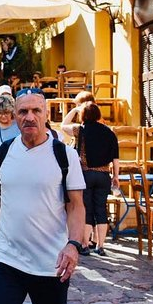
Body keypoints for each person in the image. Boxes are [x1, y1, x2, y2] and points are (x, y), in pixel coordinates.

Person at [0, 90, 86, 304]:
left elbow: (77, 206)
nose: (30, 117)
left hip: (51, 263)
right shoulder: (3, 153)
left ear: (46, 115)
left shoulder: (64, 155)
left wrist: (73, 245)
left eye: (36, 111)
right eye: (23, 111)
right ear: (14, 116)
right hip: (8, 260)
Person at [61, 102, 119, 256]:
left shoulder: (80, 130)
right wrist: (116, 177)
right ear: (99, 115)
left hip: (85, 174)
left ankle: (85, 244)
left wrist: (74, 109)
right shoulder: (109, 132)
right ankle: (100, 246)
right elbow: (115, 159)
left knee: (86, 209)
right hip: (103, 175)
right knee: (101, 209)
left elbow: (63, 125)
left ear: (83, 116)